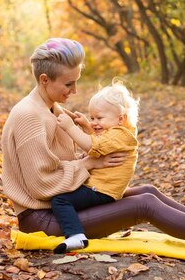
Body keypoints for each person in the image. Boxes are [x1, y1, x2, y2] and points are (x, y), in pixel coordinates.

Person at [1, 38, 185, 264]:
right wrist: (88, 164)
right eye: (68, 84)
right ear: (44, 79)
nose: (74, 91)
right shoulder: (30, 116)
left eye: (76, 81)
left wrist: (88, 148)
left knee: (148, 191)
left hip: (63, 205)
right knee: (143, 206)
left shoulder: (51, 106)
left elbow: (62, 162)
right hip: (45, 219)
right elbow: (40, 184)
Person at [51, 80, 139, 253]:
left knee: (60, 200)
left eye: (99, 118)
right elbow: (100, 143)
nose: (95, 122)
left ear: (120, 118)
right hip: (103, 187)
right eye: (92, 118)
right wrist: (85, 126)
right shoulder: (116, 133)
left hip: (102, 190)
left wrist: (70, 128)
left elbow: (92, 146)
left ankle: (76, 235)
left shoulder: (120, 135)